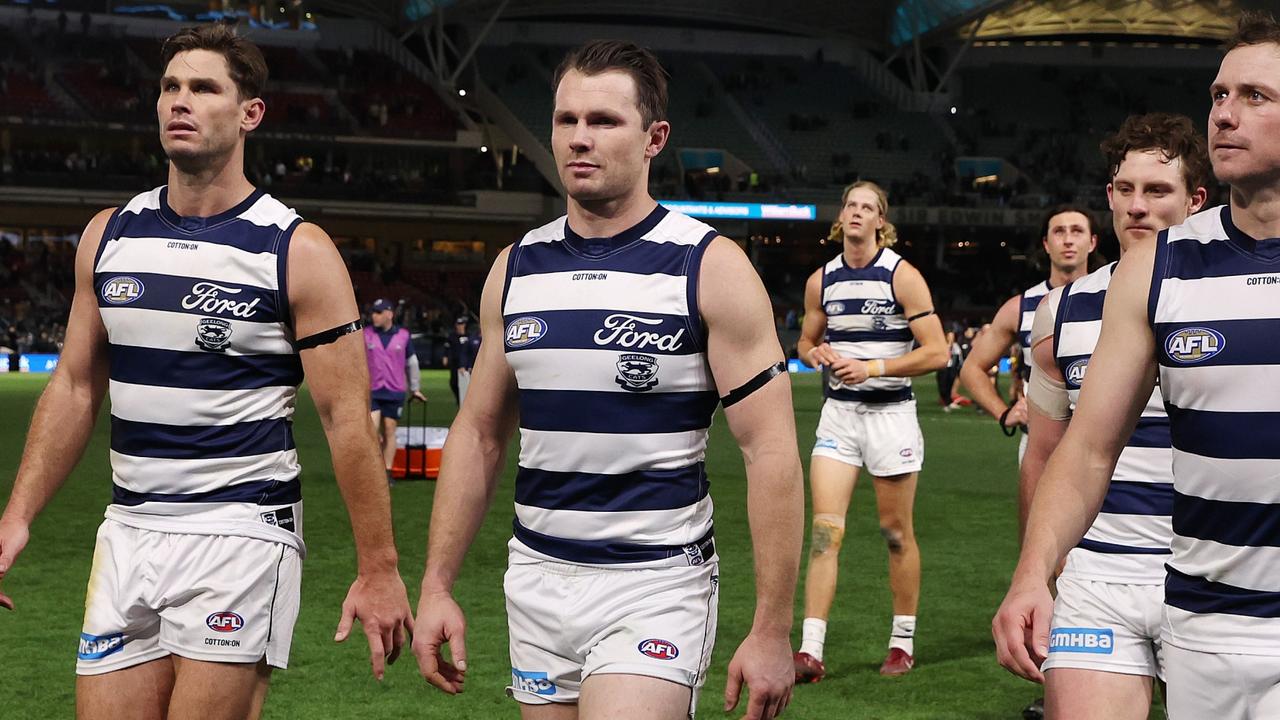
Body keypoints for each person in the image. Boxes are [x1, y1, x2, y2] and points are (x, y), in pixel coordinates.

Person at [0, 25, 412, 720]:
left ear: (250, 112)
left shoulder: (296, 250)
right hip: (128, 530)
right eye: (169, 87)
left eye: (203, 88)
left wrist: (380, 567)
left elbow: (346, 419)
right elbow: (74, 387)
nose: (179, 101)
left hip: (243, 528)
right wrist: (16, 515)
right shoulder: (109, 236)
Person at [411, 40, 803, 720]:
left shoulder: (709, 266)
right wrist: (436, 583)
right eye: (566, 120)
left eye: (603, 121)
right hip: (536, 576)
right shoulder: (516, 269)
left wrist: (771, 627)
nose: (579, 139)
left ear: (655, 137)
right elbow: (477, 435)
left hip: (655, 582)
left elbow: (769, 453)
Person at [992, 12, 1280, 718]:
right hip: (1203, 621)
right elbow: (1086, 450)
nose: (1225, 114)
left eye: (1254, 97)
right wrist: (1033, 573)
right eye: (1218, 95)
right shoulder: (1157, 270)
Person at [997, 113, 1208, 719]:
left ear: (1195, 200)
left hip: (1211, 573)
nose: (1137, 206)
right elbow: (1044, 456)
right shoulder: (1060, 313)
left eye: (1158, 190)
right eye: (1125, 190)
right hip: (1098, 576)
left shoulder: (1237, 301)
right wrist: (1036, 571)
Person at [792, 181, 949, 682]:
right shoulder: (822, 280)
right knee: (824, 533)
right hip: (840, 416)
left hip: (890, 417)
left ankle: (902, 641)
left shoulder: (902, 276)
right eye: (852, 205)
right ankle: (810, 651)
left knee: (895, 532)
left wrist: (874, 367)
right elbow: (805, 338)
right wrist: (811, 352)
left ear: (881, 221)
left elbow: (937, 352)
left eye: (869, 207)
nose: (859, 213)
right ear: (841, 216)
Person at [958, 205, 1096, 534]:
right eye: (1058, 232)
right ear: (1046, 245)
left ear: (1092, 242)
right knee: (1041, 552)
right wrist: (1005, 413)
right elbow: (973, 369)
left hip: (1100, 446)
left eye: (1076, 231)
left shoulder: (1117, 296)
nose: (1068, 239)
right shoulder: (1021, 308)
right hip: (1041, 445)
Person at [365, 298, 427, 480]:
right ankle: (375, 469)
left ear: (389, 314)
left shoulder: (404, 336)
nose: (374, 316)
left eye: (378, 312)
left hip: (395, 391)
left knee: (390, 430)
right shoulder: (365, 334)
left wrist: (415, 389)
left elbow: (412, 363)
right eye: (373, 313)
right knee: (371, 430)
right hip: (372, 390)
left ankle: (387, 471)